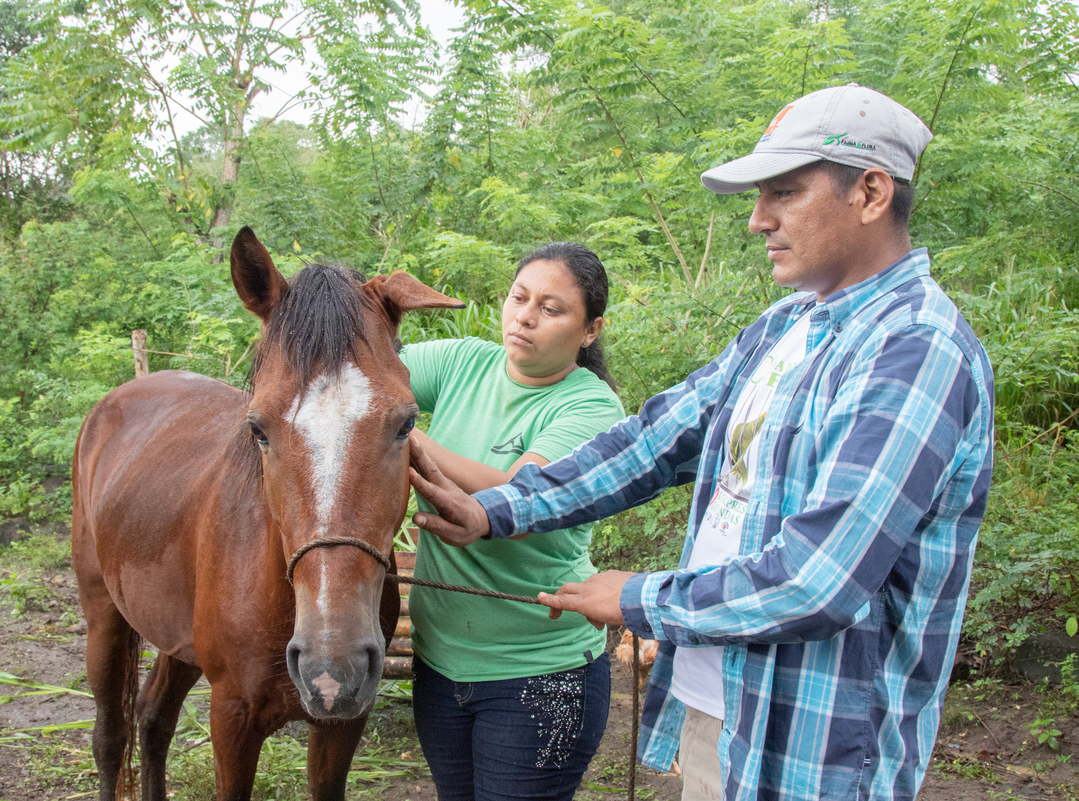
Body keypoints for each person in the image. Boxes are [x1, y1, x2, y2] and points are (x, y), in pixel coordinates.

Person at [408, 84, 995, 801]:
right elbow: (650, 443)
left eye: (783, 192)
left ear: (871, 192)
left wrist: (637, 597)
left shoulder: (913, 352)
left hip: (815, 751)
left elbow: (818, 579)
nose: (758, 220)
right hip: (724, 709)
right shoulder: (787, 327)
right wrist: (497, 509)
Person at [399, 242, 626, 801]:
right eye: (519, 298)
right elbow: (363, 375)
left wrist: (404, 433)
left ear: (590, 329)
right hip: (439, 662)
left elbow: (525, 500)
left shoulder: (591, 407)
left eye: (552, 309)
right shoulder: (461, 363)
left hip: (541, 673)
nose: (524, 316)